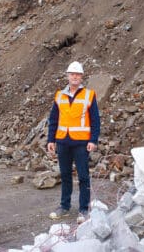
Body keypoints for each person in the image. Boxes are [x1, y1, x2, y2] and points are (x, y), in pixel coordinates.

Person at [47, 61, 100, 224]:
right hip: (63, 141)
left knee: (83, 176)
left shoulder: (89, 95)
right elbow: (54, 119)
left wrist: (93, 139)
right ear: (68, 76)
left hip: (81, 143)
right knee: (65, 175)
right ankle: (64, 206)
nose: (75, 77)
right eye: (72, 74)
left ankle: (84, 209)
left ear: (81, 76)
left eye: (77, 74)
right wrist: (51, 139)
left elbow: (95, 120)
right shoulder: (59, 95)